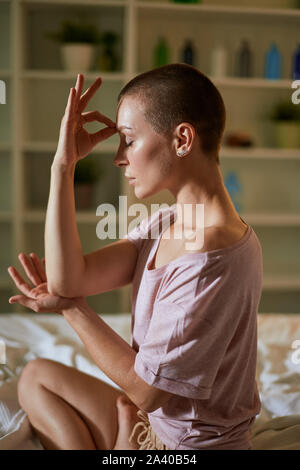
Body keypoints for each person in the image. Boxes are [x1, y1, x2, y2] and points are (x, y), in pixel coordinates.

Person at [7, 63, 262, 450]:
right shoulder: (172, 221)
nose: (118, 158)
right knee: (34, 377)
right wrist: (64, 166)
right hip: (153, 424)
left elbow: (146, 390)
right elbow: (69, 280)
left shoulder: (212, 255)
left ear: (181, 140)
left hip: (187, 449)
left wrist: (72, 310)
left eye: (128, 139)